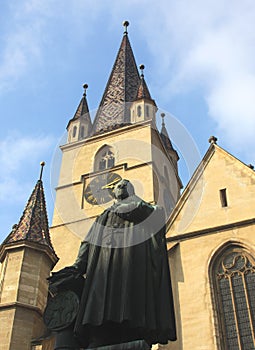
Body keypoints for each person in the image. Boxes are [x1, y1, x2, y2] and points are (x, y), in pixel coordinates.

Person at [48, 179, 176, 349]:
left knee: (129, 298)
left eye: (126, 185)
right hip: (103, 266)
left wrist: (136, 206)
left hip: (131, 263)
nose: (122, 186)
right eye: (118, 185)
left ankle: (132, 330)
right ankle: (99, 334)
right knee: (99, 302)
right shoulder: (104, 215)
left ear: (132, 191)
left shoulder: (144, 209)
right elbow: (88, 242)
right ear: (113, 192)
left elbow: (158, 218)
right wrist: (78, 265)